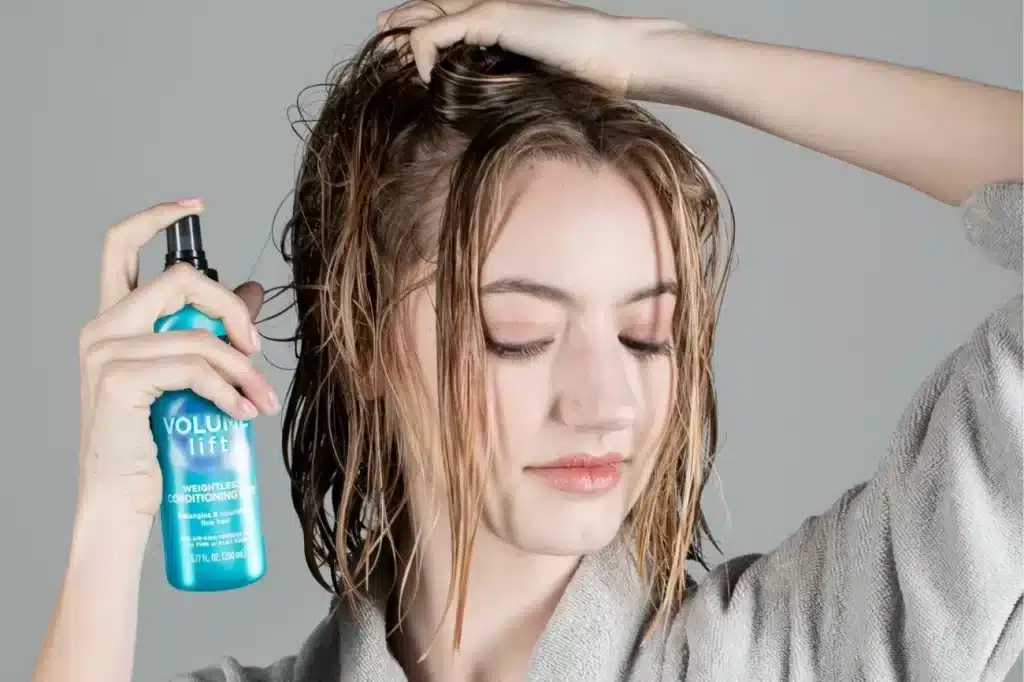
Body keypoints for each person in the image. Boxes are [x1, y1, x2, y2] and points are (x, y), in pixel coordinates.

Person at [32, 1, 1022, 681]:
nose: (606, 399)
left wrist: (656, 55)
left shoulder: (817, 649)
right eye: (520, 331)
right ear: (364, 333)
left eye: (647, 332)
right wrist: (110, 520)